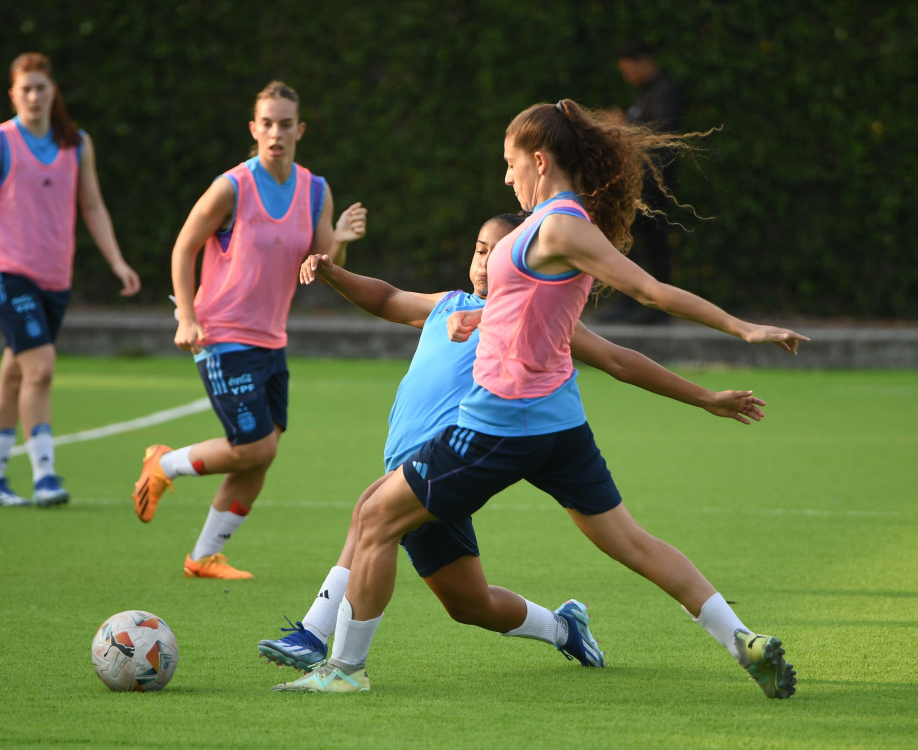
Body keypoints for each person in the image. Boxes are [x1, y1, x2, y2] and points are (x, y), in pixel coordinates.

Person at [275, 99, 806, 698]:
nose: (507, 178)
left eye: (510, 164)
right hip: (559, 426)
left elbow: (651, 291)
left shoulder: (559, 226)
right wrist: (704, 397)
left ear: (540, 159)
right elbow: (568, 330)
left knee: (376, 515)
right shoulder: (548, 227)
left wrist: (742, 328)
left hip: (501, 422)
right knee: (632, 543)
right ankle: (742, 640)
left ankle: (343, 670)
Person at [131, 81, 367, 580]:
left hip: (271, 339)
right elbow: (183, 247)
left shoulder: (315, 191)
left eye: (286, 124)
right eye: (268, 124)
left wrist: (341, 242)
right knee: (255, 447)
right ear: (254, 128)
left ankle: (203, 557)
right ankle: (164, 463)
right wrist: (186, 315)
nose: (276, 133)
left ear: (300, 130)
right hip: (220, 334)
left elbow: (322, 265)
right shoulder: (232, 187)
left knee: (260, 457)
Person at [0, 52, 141, 508]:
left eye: (41, 87)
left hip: (55, 281)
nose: (34, 96)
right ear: (12, 94)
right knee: (41, 367)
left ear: (54, 92)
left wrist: (116, 261)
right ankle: (45, 475)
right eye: (25, 89)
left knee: (15, 373)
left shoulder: (77, 144)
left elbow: (93, 205)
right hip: (8, 275)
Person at [605, 40, 684, 323]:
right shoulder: (645, 94)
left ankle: (653, 306)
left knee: (647, 242)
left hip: (655, 182)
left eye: (628, 69)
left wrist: (623, 126)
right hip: (640, 181)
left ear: (644, 62)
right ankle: (637, 303)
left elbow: (661, 132)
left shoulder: (665, 91)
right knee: (637, 241)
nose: (627, 76)